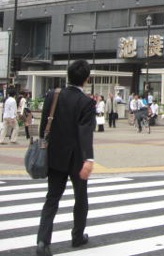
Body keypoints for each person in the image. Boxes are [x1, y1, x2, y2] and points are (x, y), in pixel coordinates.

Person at [36, 59, 96, 256]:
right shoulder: (86, 102)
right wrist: (89, 159)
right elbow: (85, 132)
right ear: (86, 79)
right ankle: (77, 236)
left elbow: (44, 125)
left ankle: (43, 242)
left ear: (68, 76)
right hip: (77, 159)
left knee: (52, 198)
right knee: (81, 198)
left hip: (55, 155)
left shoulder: (53, 95)